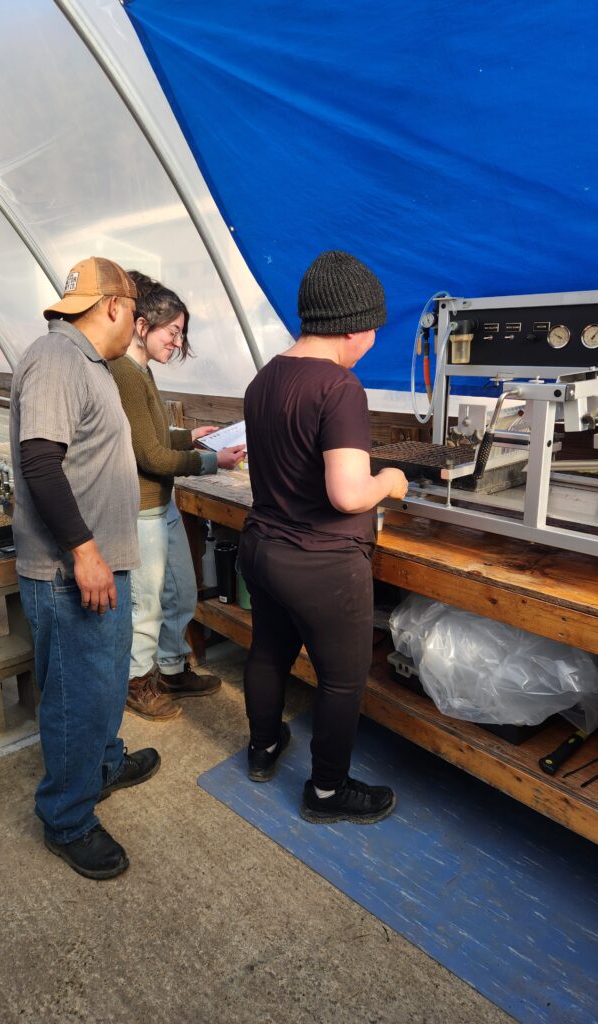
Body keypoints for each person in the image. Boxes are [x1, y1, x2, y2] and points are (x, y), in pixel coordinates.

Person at [239, 250, 409, 824]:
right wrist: (389, 479)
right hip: (321, 564)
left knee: (268, 652)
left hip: (262, 547)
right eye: (375, 332)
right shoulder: (339, 388)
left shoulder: (266, 377)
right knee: (342, 680)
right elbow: (347, 494)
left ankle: (262, 750)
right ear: (357, 327)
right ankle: (328, 793)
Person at [10, 256, 160, 881]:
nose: (137, 326)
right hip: (73, 571)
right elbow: (42, 463)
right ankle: (67, 818)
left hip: (101, 565)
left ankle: (102, 763)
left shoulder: (91, 365)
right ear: (116, 308)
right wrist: (86, 551)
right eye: (137, 314)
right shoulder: (57, 359)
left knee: (101, 682)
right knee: (76, 694)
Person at [110, 271, 245, 721]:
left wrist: (190, 437)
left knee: (180, 592)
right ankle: (137, 681)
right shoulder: (125, 374)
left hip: (162, 504)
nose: (176, 343)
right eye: (173, 332)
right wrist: (212, 461)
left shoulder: (142, 370)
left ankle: (171, 668)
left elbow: (151, 436)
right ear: (143, 324)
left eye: (180, 334)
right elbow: (147, 455)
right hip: (143, 507)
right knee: (145, 605)